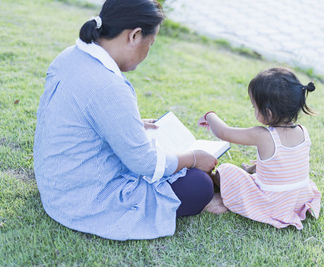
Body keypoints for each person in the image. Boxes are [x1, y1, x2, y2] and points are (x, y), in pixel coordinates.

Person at [33, 0, 217, 241]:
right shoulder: (109, 86)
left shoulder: (70, 56)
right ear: (135, 35)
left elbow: (79, 117)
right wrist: (193, 158)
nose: (148, 52)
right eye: (150, 44)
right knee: (198, 186)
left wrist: (133, 125)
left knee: (187, 175)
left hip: (55, 184)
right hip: (82, 200)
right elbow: (144, 164)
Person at [199, 68, 321, 230]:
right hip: (297, 198)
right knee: (268, 165)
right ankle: (247, 175)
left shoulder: (262, 135)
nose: (254, 110)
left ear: (268, 113)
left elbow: (224, 132)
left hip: (272, 203)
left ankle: (219, 192)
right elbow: (282, 165)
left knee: (225, 170)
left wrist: (210, 116)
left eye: (254, 107)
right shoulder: (303, 132)